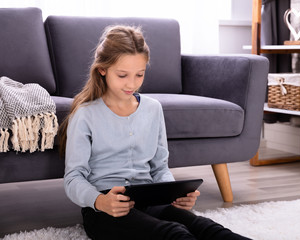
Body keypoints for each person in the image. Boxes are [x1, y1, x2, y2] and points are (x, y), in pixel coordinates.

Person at [59, 25, 251, 240]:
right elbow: (74, 178)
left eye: (139, 74)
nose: (131, 84)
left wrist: (175, 194)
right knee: (173, 234)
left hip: (150, 198)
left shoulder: (153, 108)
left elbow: (160, 167)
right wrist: (99, 201)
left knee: (208, 228)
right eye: (122, 75)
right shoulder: (86, 114)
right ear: (102, 69)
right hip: (105, 208)